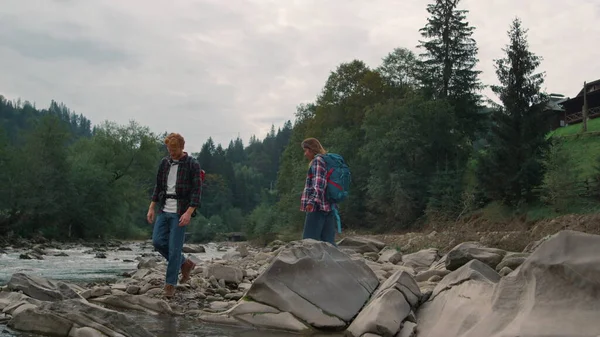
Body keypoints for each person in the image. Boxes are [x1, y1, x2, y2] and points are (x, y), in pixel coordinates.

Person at [147, 133, 202, 298]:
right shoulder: (164, 163)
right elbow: (158, 187)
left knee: (174, 250)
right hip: (164, 209)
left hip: (180, 212)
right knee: (157, 242)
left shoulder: (192, 164)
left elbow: (197, 191)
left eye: (174, 149)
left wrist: (189, 212)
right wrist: (151, 207)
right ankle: (185, 263)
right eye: (169, 149)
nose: (171, 152)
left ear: (182, 147)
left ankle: (170, 285)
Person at [300, 138, 337, 246]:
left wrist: (311, 202)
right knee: (328, 243)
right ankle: (333, 263)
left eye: (306, 150)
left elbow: (319, 184)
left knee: (309, 242)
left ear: (311, 149)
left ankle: (310, 263)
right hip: (329, 206)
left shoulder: (317, 161)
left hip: (317, 207)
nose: (305, 154)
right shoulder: (325, 160)